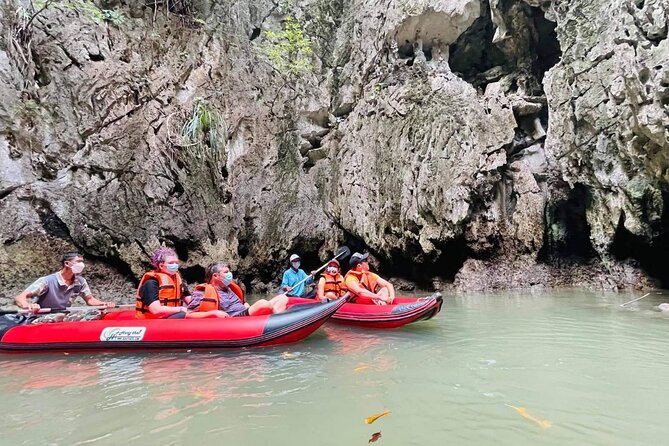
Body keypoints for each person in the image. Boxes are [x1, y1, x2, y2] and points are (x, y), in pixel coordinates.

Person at [14, 251, 115, 311]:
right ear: (67, 263)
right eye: (78, 262)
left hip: (63, 315)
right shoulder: (47, 281)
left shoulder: (80, 282)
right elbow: (20, 297)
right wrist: (28, 305)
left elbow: (90, 300)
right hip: (42, 315)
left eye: (82, 262)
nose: (82, 265)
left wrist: (104, 304)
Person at [189, 263, 288, 316]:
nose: (230, 274)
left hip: (245, 311)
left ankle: (274, 316)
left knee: (283, 297)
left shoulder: (228, 288)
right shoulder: (202, 292)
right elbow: (189, 314)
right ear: (215, 276)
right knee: (263, 303)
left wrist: (245, 304)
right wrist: (213, 313)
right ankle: (278, 318)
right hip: (236, 317)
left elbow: (242, 303)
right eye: (226, 272)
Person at [135, 247, 191, 319]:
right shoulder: (151, 283)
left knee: (196, 314)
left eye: (176, 263)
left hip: (170, 317)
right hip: (152, 321)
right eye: (171, 263)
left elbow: (190, 300)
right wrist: (181, 309)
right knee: (185, 314)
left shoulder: (178, 280)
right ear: (161, 266)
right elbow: (155, 310)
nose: (175, 265)